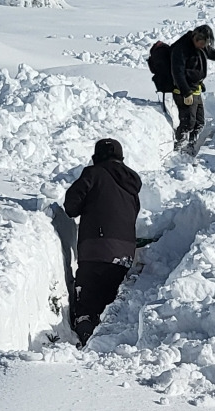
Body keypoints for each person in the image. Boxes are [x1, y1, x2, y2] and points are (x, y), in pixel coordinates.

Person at [64, 138, 142, 347]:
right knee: (110, 305)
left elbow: (71, 205)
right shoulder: (132, 184)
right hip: (125, 251)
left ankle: (85, 343)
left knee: (87, 304)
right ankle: (105, 346)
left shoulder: (93, 173)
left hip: (96, 248)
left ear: (96, 156)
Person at [170, 24, 215, 153]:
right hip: (183, 91)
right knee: (188, 122)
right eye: (201, 44)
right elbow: (177, 73)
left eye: (205, 44)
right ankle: (178, 148)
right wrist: (186, 92)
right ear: (195, 37)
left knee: (199, 122)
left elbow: (213, 53)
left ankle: (191, 144)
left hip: (195, 89)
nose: (203, 47)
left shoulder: (202, 45)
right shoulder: (181, 49)